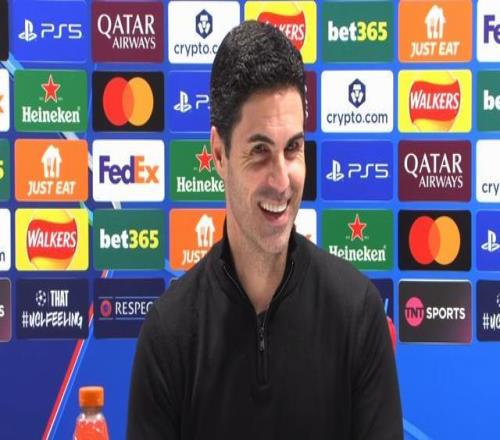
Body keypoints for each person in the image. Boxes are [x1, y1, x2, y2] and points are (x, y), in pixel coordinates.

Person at [127, 21, 403, 439]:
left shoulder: (357, 314)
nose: (281, 179)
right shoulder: (169, 335)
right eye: (259, 151)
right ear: (219, 154)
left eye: (292, 148)